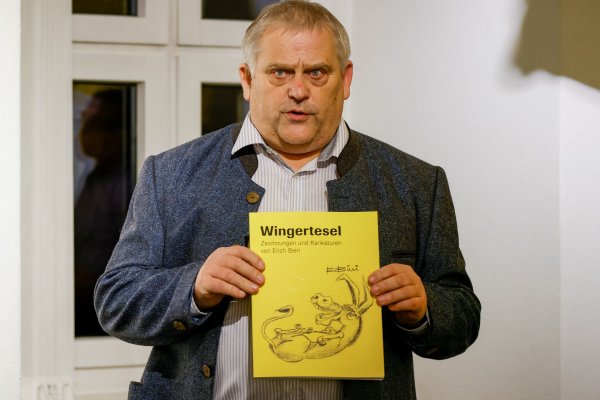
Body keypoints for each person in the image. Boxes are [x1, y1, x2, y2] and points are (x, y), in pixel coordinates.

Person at [94, 1, 481, 399]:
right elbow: (116, 301)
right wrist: (194, 287)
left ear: (346, 79)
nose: (298, 90)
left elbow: (463, 317)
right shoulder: (171, 173)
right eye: (280, 72)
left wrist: (423, 307)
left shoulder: (415, 183)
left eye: (317, 72)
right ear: (247, 80)